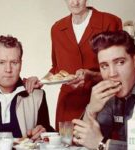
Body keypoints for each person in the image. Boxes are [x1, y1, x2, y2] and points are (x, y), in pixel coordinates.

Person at [41, 0, 123, 130]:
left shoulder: (110, 22)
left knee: (100, 145)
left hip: (102, 103)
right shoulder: (57, 29)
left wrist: (91, 76)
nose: (74, 2)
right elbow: (57, 68)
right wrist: (40, 81)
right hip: (68, 107)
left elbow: (120, 71)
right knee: (65, 146)